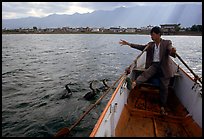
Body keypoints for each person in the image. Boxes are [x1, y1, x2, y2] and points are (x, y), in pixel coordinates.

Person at [119, 26, 176, 115]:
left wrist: (172, 51)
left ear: (158, 35)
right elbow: (141, 47)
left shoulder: (167, 43)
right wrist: (129, 44)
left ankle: (163, 105)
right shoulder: (151, 44)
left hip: (164, 66)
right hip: (155, 65)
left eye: (152, 34)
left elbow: (170, 50)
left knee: (164, 87)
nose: (151, 36)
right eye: (151, 35)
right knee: (146, 74)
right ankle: (133, 84)